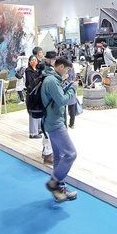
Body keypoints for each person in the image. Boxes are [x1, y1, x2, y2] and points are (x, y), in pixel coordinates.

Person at [41, 57, 79, 202]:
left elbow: (57, 97)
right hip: (55, 123)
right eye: (67, 69)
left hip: (53, 121)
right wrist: (73, 89)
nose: (68, 72)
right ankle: (54, 182)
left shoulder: (53, 79)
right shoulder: (51, 80)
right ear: (61, 67)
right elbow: (62, 100)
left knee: (59, 156)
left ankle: (59, 189)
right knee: (71, 154)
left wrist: (67, 86)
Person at [24, 55, 43, 138]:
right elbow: (31, 83)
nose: (34, 61)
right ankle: (33, 133)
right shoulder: (28, 71)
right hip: (32, 94)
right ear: (29, 62)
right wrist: (39, 78)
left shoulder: (38, 70)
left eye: (35, 60)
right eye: (32, 60)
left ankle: (39, 129)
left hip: (38, 94)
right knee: (33, 113)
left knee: (38, 111)